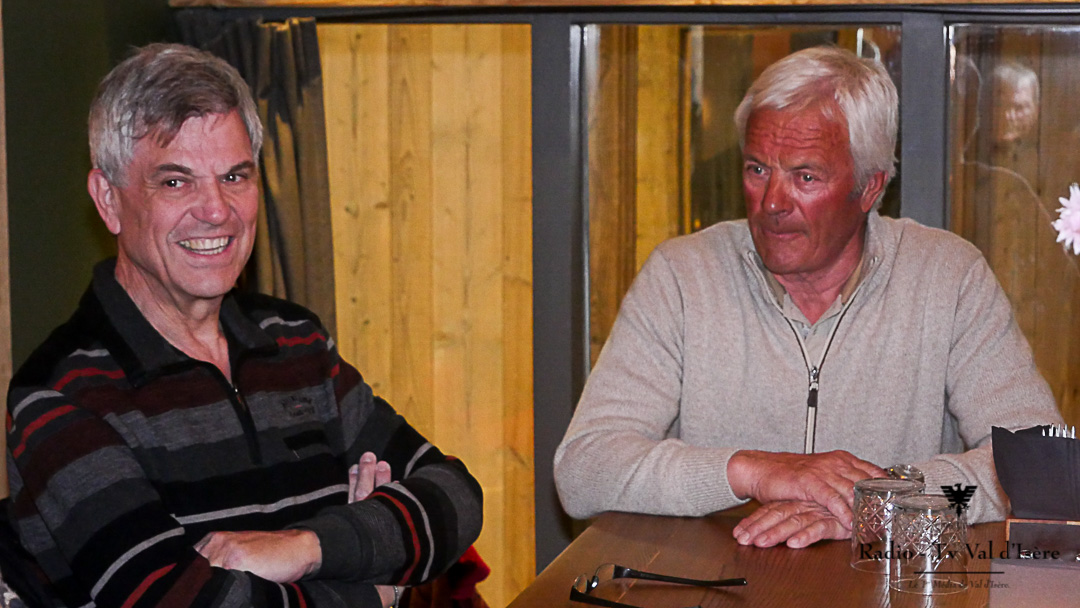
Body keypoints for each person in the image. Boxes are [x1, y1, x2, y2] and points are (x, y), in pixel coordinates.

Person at [5, 43, 482, 608]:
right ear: (108, 200)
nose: (216, 210)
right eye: (175, 182)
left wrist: (308, 548)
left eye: (234, 176)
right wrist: (376, 590)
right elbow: (181, 601)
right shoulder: (62, 394)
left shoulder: (296, 342)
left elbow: (456, 497)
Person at [554, 45, 1062, 549]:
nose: (772, 202)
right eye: (757, 169)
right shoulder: (683, 276)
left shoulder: (948, 278)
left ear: (869, 188)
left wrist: (879, 504)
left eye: (805, 177)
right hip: (716, 582)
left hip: (884, 583)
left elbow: (1043, 466)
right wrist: (753, 472)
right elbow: (583, 471)